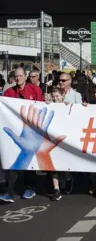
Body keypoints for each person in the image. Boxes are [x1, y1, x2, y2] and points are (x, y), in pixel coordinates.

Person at [0, 67, 43, 203]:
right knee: (12, 159)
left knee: (30, 160)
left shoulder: (35, 90)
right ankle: (11, 191)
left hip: (31, 131)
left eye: (20, 76)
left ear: (25, 76)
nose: (18, 78)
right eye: (16, 76)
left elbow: (41, 107)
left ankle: (30, 188)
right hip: (14, 130)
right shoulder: (8, 92)